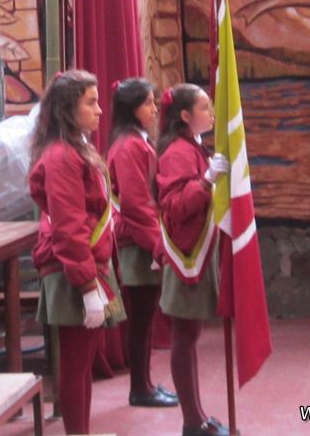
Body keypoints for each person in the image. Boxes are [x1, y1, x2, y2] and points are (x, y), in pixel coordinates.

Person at [28, 70, 125, 435]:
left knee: (83, 364)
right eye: (91, 102)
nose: (100, 110)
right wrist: (87, 288)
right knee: (74, 364)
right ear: (68, 109)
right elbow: (68, 227)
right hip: (74, 270)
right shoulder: (62, 157)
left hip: (87, 264)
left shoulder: (75, 149)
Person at [156, 84, 230, 436]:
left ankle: (197, 415)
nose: (211, 113)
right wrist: (207, 179)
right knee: (184, 337)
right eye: (204, 107)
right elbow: (176, 206)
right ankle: (191, 421)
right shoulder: (177, 153)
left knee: (190, 335)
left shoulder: (193, 147)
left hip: (196, 248)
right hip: (185, 253)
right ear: (185, 116)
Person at [106, 77, 178, 409]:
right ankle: (139, 387)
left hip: (142, 236)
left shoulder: (136, 140)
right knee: (140, 317)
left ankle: (146, 383)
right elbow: (135, 204)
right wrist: (157, 244)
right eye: (148, 103)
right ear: (132, 107)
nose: (154, 108)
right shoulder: (128, 146)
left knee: (146, 316)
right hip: (136, 240)